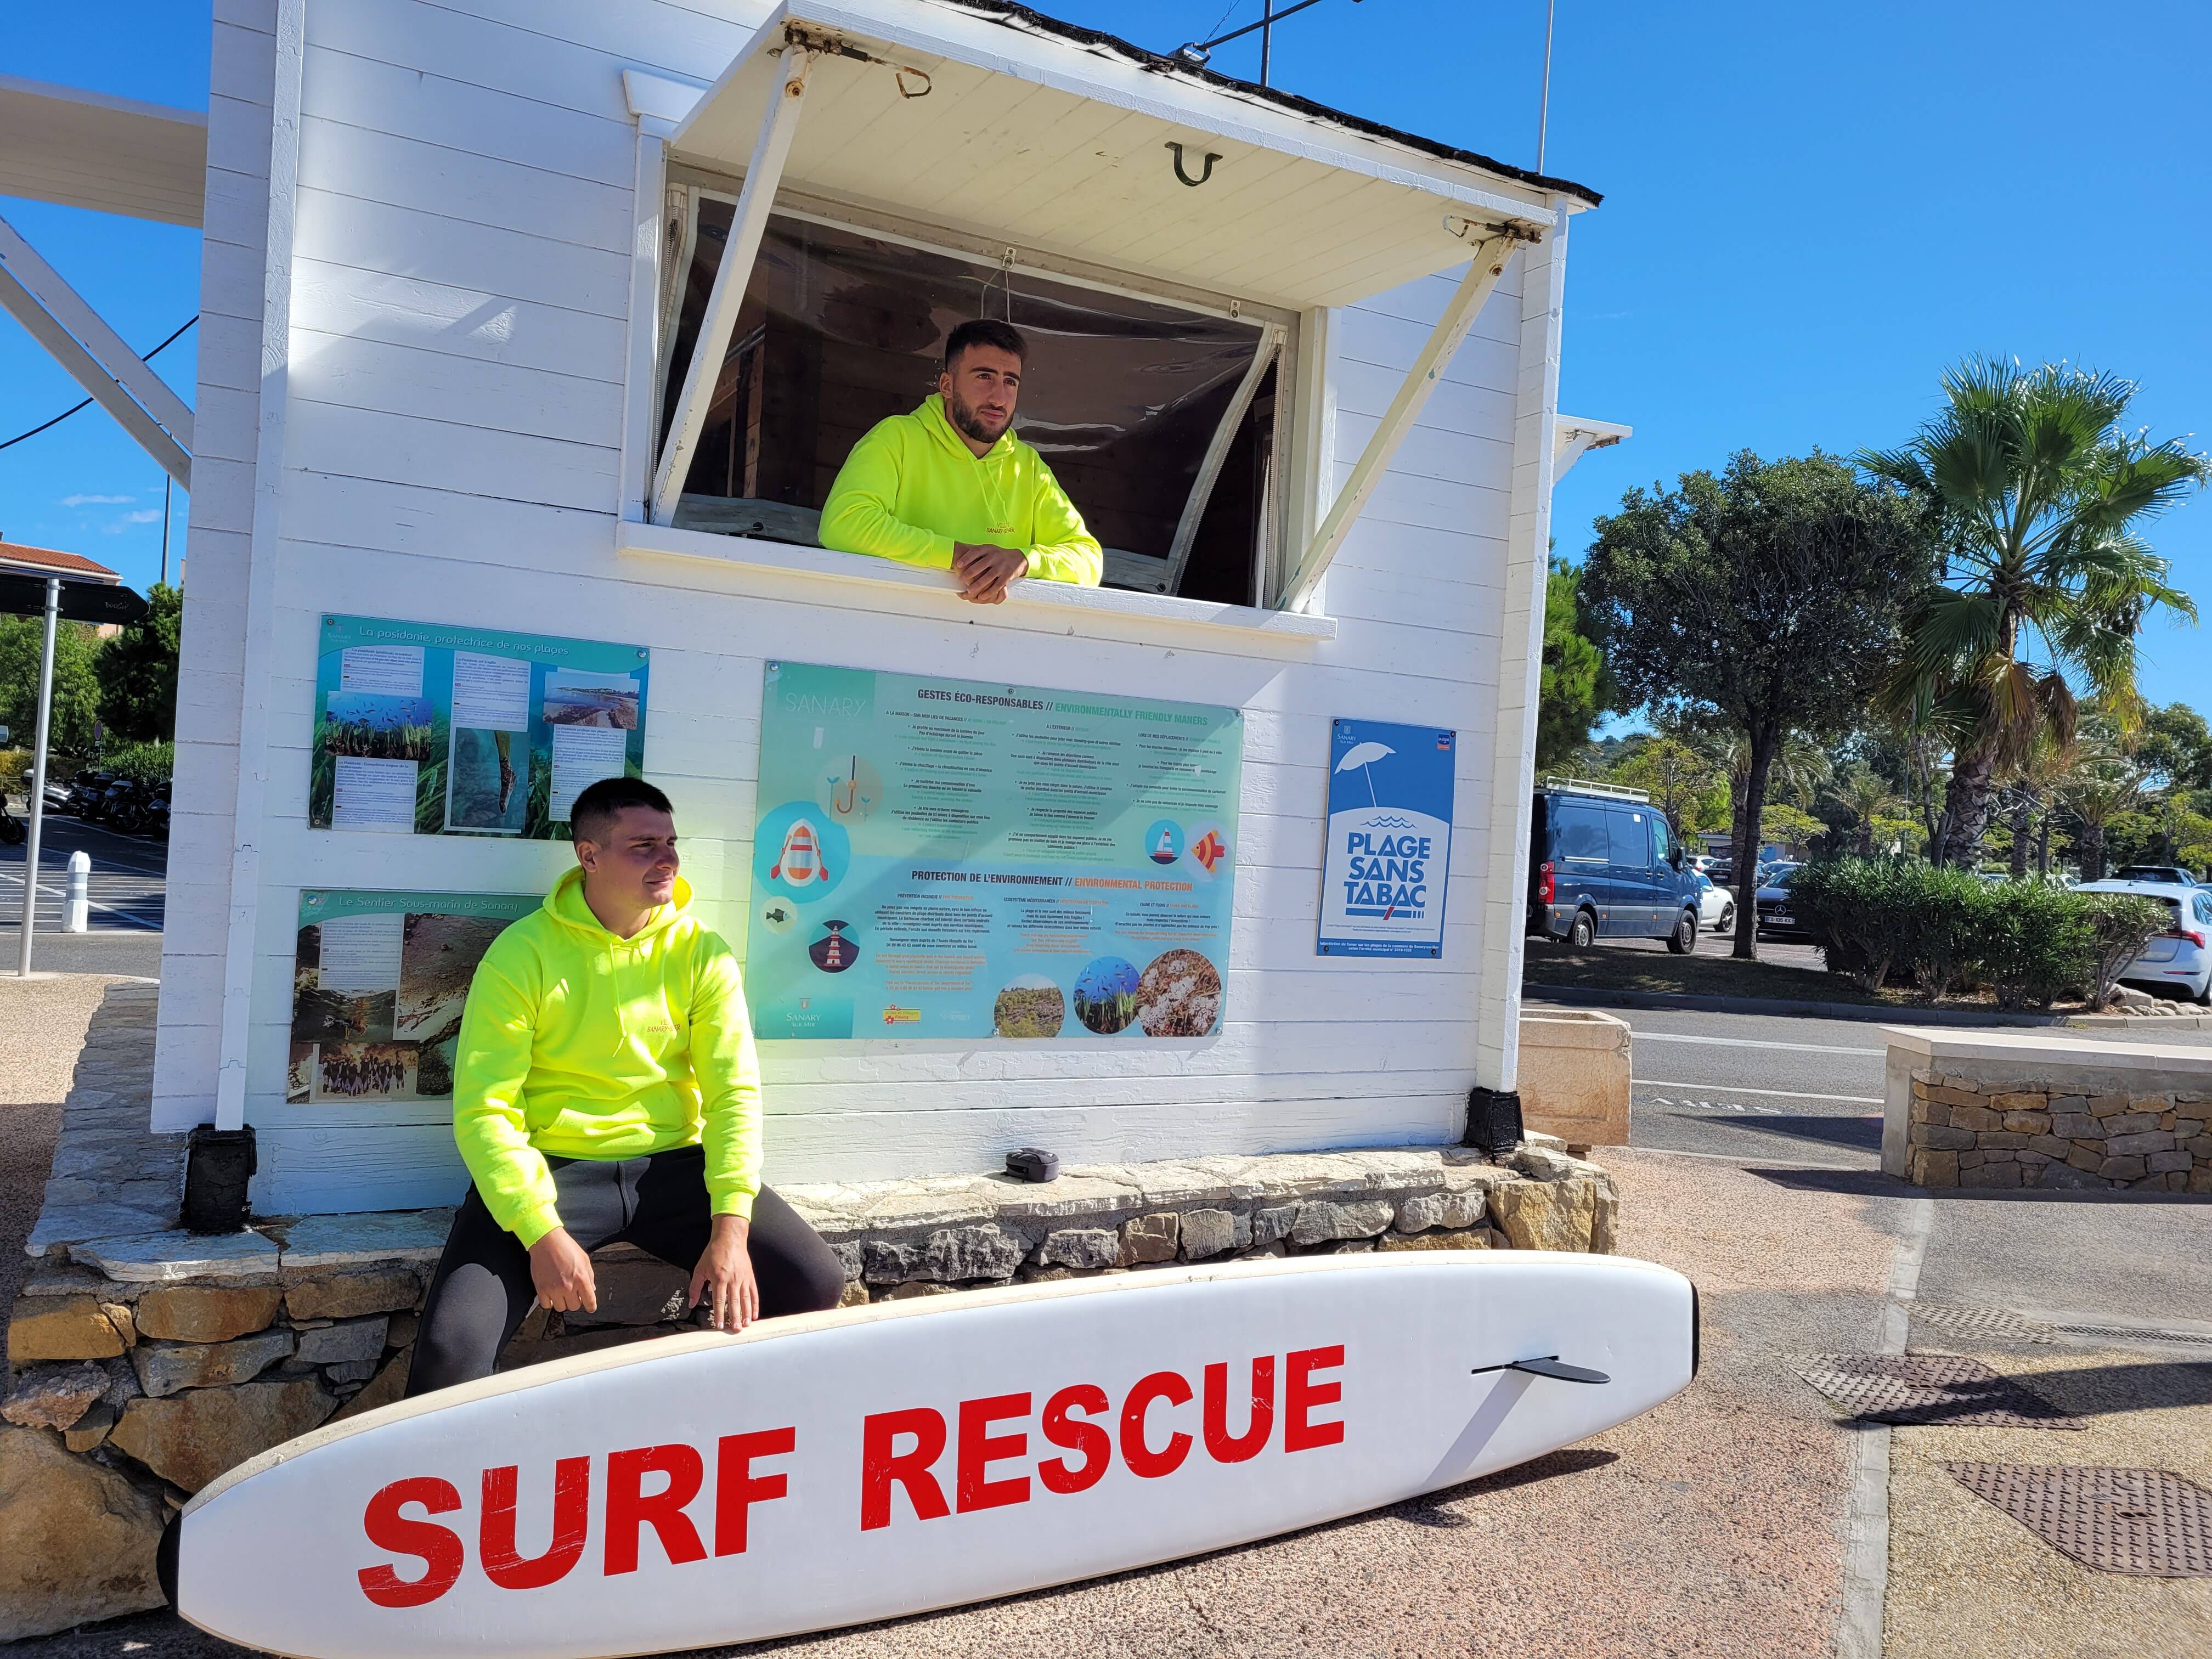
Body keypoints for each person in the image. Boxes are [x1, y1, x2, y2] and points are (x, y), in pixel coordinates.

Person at [405, 775, 845, 1396]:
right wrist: (541, 1233)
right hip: (555, 1170)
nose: (666, 860)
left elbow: (733, 1096)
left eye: (670, 843)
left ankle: (735, 1427)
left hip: (671, 1168)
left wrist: (731, 1231)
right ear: (589, 856)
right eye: (643, 845)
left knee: (813, 1282)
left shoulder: (702, 954)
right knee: (452, 1350)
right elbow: (486, 1111)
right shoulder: (521, 954)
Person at [818, 317, 1103, 604]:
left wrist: (1023, 561)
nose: (999, 398)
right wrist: (959, 557)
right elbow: (844, 524)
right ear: (947, 385)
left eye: (1010, 382)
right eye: (984, 377)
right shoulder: (897, 437)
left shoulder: (1027, 467)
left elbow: (1088, 559)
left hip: (989, 639)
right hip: (894, 628)